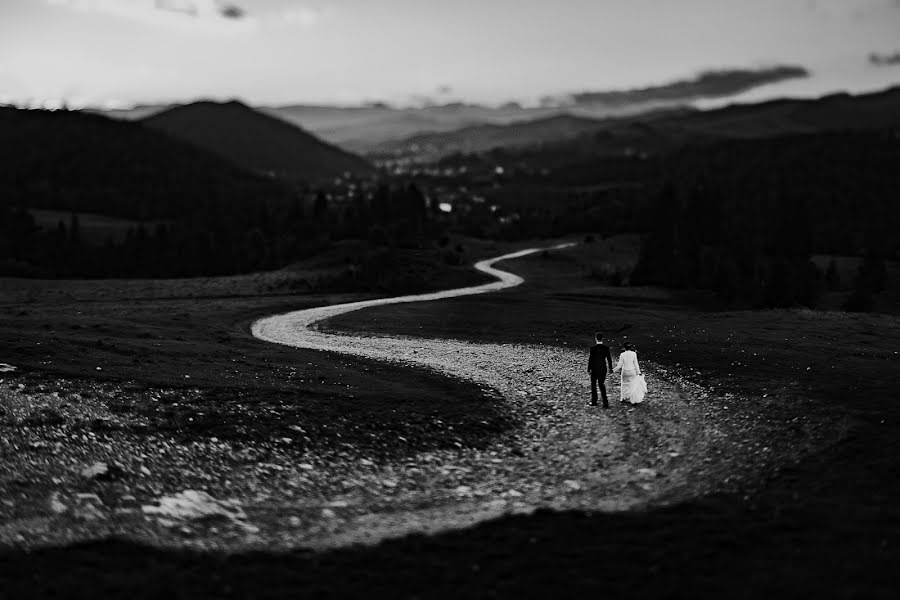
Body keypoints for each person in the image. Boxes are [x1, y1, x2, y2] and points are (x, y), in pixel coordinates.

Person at [587, 332, 613, 408]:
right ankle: (605, 403)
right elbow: (609, 359)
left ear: (595, 338)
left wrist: (589, 369)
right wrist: (610, 368)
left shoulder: (593, 348)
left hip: (594, 369)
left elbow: (590, 359)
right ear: (602, 339)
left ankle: (594, 401)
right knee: (601, 385)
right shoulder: (606, 348)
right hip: (603, 369)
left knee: (593, 385)